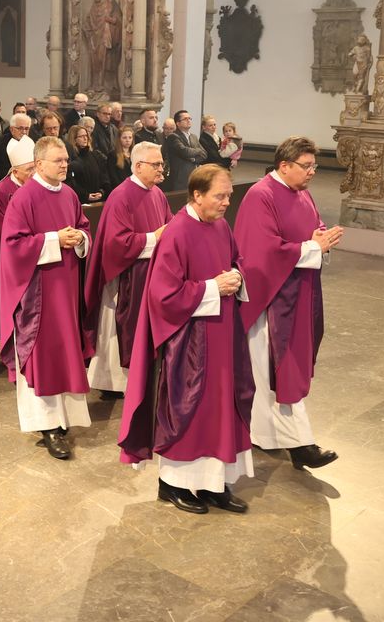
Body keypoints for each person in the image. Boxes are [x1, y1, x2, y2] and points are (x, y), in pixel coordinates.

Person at [118, 164, 254, 515]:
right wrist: (212, 288)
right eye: (219, 196)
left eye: (229, 195)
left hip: (223, 335)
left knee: (221, 409)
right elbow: (162, 296)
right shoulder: (177, 232)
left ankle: (214, 484)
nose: (226, 202)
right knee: (190, 411)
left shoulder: (221, 225)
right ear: (197, 195)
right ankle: (174, 484)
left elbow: (235, 260)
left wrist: (237, 276)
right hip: (191, 342)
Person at [234, 136, 343, 470]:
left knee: (282, 369)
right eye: (306, 166)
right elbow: (262, 251)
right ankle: (300, 443)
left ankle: (267, 434)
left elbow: (314, 227)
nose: (312, 172)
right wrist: (313, 247)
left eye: (314, 166)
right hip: (272, 299)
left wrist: (321, 239)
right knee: (274, 369)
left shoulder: (301, 193)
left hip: (299, 293)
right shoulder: (261, 195)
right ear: (284, 165)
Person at [0, 136, 93, 460]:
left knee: (65, 353)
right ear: (39, 164)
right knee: (43, 357)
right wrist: (54, 239)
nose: (65, 164)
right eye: (58, 160)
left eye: (66, 159)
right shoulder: (23, 198)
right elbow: (13, 246)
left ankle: (63, 420)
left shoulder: (69, 194)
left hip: (66, 290)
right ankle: (48, 425)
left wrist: (80, 237)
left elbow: (84, 227)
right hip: (37, 295)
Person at [83, 141, 171, 398]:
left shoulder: (157, 193)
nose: (161, 169)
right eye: (156, 164)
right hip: (124, 277)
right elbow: (115, 244)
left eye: (161, 164)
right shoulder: (121, 195)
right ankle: (112, 384)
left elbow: (170, 226)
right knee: (115, 333)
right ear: (139, 165)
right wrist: (154, 238)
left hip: (149, 274)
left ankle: (140, 377)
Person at [0, 136, 35, 343]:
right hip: (11, 255)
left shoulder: (36, 185)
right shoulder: (2, 192)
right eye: (29, 169)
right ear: (15, 171)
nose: (34, 173)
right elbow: (2, 229)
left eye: (35, 167)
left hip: (34, 250)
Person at [163, 110, 207, 189]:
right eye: (185, 119)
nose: (188, 120)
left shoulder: (194, 137)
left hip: (194, 176)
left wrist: (194, 159)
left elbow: (204, 154)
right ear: (178, 123)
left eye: (189, 118)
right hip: (180, 179)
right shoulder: (173, 136)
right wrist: (198, 150)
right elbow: (184, 151)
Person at [64, 124, 107, 204]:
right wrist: (85, 195)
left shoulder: (94, 155)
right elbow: (72, 182)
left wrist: (101, 192)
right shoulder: (71, 158)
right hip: (80, 201)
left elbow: (103, 176)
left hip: (98, 198)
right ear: (74, 139)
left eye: (86, 135)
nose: (85, 138)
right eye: (81, 136)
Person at [0, 112, 33, 179]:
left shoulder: (31, 144)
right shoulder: (1, 148)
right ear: (12, 129)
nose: (24, 132)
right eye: (20, 128)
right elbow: (1, 172)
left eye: (27, 128)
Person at [104, 126, 135, 192]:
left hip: (134, 188)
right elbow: (113, 176)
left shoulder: (135, 154)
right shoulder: (113, 155)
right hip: (120, 189)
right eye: (124, 138)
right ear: (119, 139)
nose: (127, 140)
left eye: (130, 137)